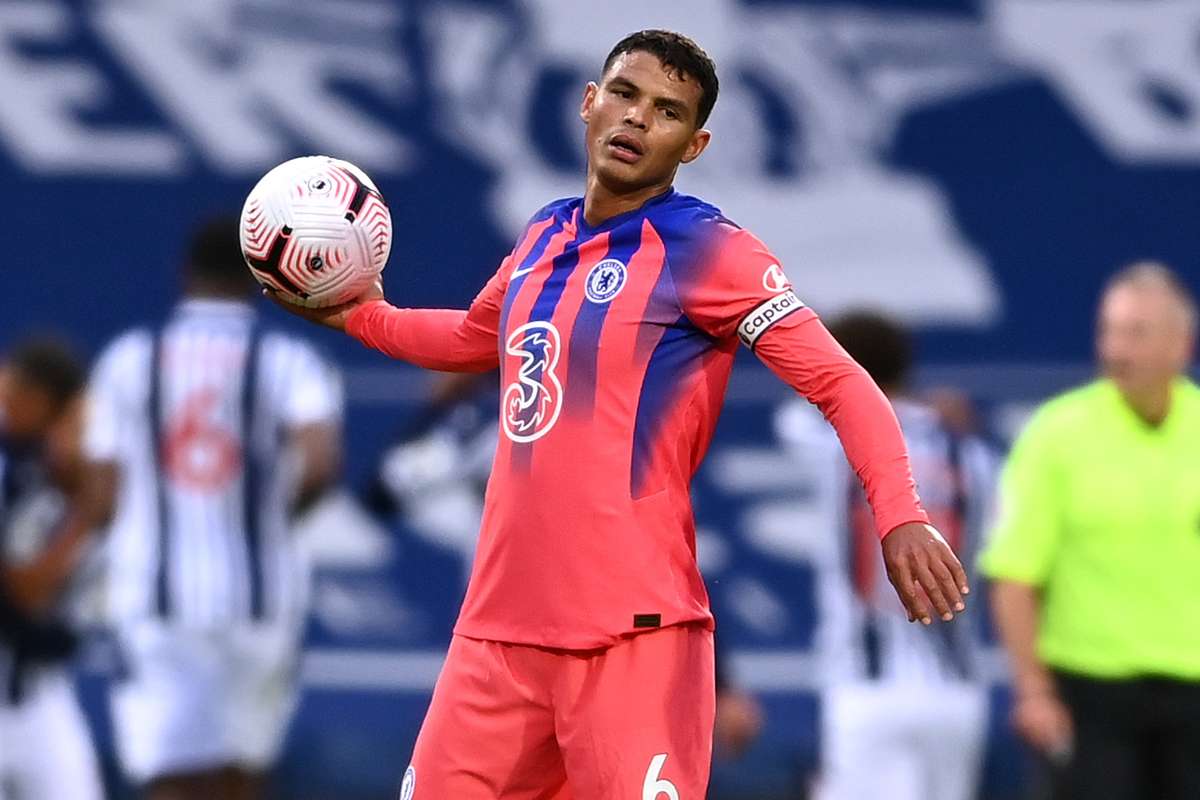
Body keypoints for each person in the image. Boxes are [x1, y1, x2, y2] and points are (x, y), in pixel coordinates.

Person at [272, 30, 968, 798]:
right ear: (588, 102)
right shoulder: (544, 233)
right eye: (626, 93)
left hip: (634, 640)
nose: (638, 117)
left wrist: (900, 514)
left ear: (694, 145)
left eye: (668, 111)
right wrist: (360, 318)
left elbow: (841, 382)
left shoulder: (710, 251)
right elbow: (473, 338)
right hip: (498, 636)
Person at [82, 218, 343, 800]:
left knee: (168, 774)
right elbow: (320, 463)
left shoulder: (130, 359)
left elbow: (100, 491)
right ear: (257, 278)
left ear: (185, 273)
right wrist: (270, 522)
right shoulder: (288, 359)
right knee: (240, 772)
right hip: (261, 596)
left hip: (156, 596)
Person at [980, 262, 1200, 800]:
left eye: (1136, 333)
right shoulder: (1056, 435)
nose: (1115, 350)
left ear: (1181, 345)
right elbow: (1013, 573)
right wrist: (1033, 690)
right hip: (1089, 694)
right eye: (1109, 331)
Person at [775, 312, 998, 800]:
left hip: (864, 687)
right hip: (954, 688)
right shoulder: (972, 456)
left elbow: (791, 420)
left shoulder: (830, 444)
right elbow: (1001, 543)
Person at [0, 338, 105, 800]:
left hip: (38, 695)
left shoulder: (94, 490)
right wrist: (84, 517)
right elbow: (25, 593)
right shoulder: (15, 474)